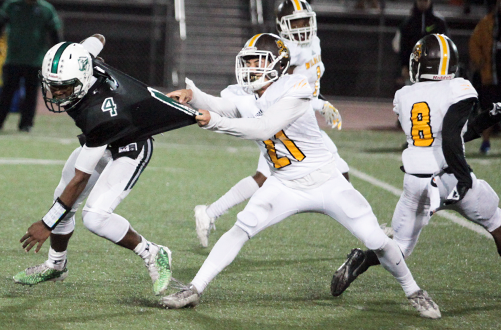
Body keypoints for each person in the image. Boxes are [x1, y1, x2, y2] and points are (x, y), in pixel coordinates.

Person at [161, 33, 441, 319]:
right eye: (247, 61)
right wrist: (193, 96)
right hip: (284, 183)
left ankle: (413, 290)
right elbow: (222, 104)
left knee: (376, 240)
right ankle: (194, 288)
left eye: (257, 61)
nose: (250, 67)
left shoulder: (295, 85)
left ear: (279, 64)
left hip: (326, 181)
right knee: (242, 227)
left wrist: (215, 123)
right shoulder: (244, 93)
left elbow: (263, 127)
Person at [13, 35, 198, 295]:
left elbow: (79, 179)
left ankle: (154, 253)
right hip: (103, 139)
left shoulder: (97, 113)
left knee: (95, 217)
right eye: (52, 86)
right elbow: (98, 38)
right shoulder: (84, 66)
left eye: (63, 87)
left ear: (83, 80)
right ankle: (56, 265)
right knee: (61, 199)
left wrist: (46, 223)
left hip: (130, 146)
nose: (55, 94)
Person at [330, 34, 501, 298]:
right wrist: (464, 177)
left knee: (398, 248)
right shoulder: (458, 88)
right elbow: (452, 138)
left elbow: (446, 134)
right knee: (495, 221)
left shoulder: (405, 95)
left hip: (417, 182)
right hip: (451, 176)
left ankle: (361, 260)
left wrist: (487, 118)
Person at [193, 0, 348, 248]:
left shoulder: (313, 43)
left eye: (305, 21)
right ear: (281, 25)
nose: (301, 27)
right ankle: (211, 213)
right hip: (281, 119)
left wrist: (319, 102)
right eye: (294, 22)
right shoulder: (284, 51)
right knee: (267, 178)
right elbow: (281, 91)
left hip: (298, 120)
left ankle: (210, 212)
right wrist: (319, 105)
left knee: (331, 169)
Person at [0, 0, 61, 133]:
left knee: (31, 94)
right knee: (7, 92)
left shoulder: (46, 9)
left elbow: (54, 33)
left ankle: (26, 124)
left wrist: (58, 53)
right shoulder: (11, 6)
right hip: (13, 58)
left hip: (36, 59)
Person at [469, 0, 501, 154]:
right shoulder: (487, 22)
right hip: (492, 75)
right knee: (490, 109)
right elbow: (474, 43)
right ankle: (486, 142)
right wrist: (480, 61)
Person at [395, 0, 449, 87]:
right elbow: (403, 46)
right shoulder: (408, 23)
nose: (423, 3)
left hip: (434, 69)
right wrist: (404, 65)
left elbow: (445, 45)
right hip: (413, 69)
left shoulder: (439, 23)